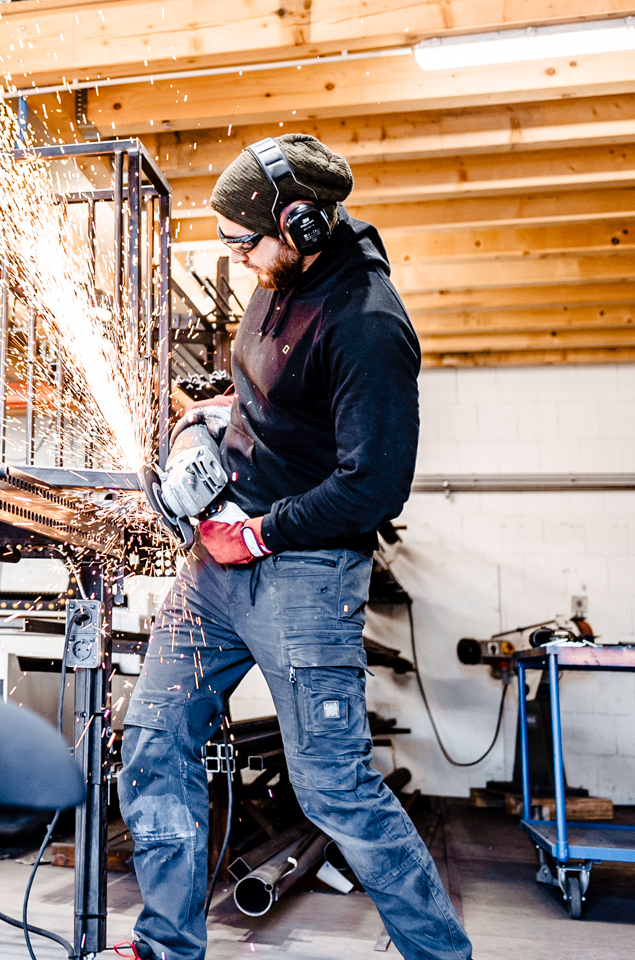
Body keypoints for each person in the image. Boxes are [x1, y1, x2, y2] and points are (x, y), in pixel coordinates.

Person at [120, 134, 469, 960]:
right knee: (155, 737)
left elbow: (375, 486)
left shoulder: (370, 326)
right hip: (217, 569)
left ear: (303, 225)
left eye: (246, 244)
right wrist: (213, 414)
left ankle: (439, 955)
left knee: (334, 788)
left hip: (304, 574)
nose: (239, 261)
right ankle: (166, 944)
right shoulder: (279, 280)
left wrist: (262, 532)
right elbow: (271, 397)